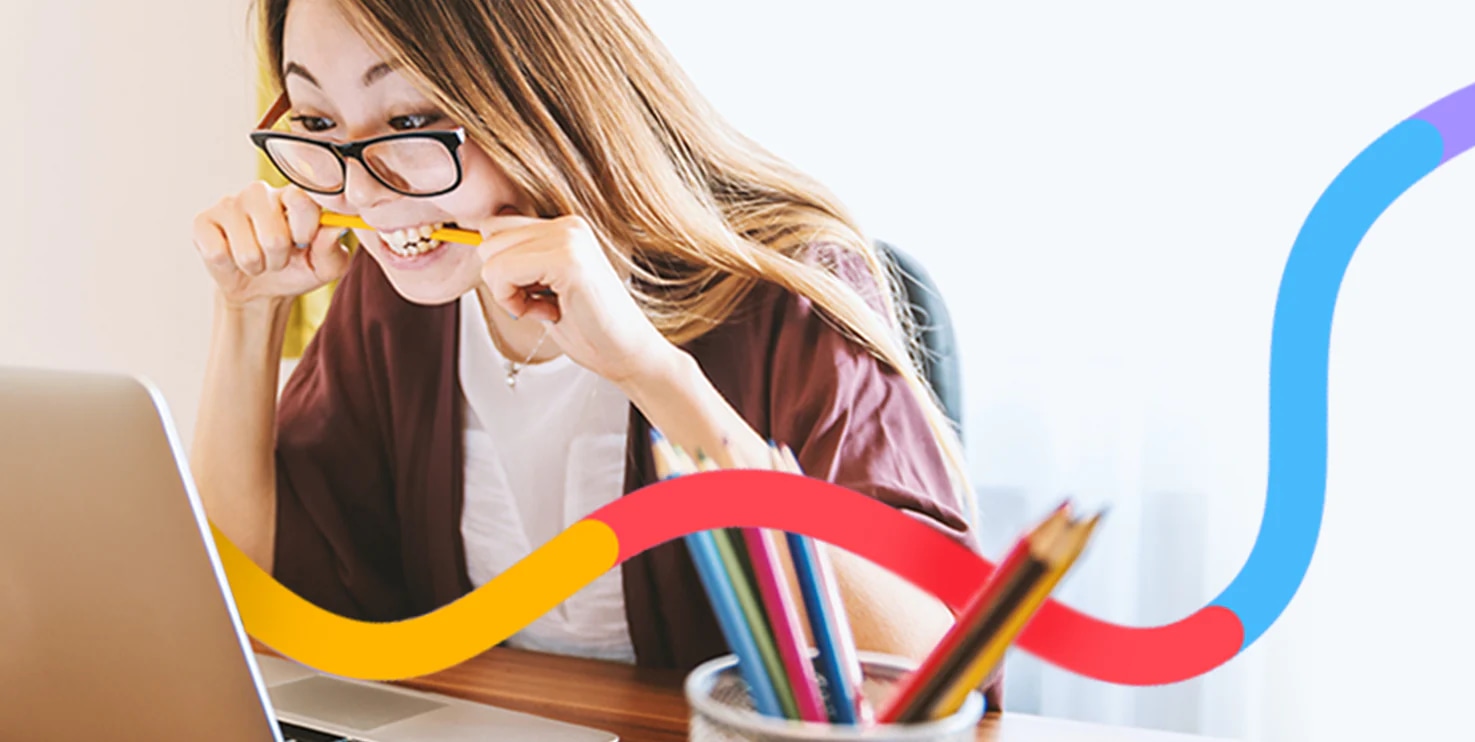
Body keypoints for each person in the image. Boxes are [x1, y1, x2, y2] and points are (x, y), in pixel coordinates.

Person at [188, 0, 997, 704]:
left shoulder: (787, 288)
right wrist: (245, 317)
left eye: (409, 122)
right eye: (318, 122)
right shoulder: (399, 299)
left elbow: (928, 669)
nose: (360, 192)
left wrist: (650, 371)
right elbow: (251, 620)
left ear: (545, 93)